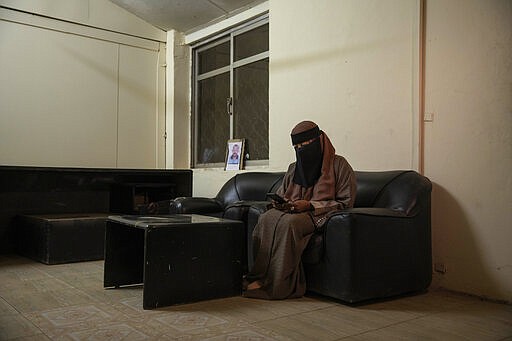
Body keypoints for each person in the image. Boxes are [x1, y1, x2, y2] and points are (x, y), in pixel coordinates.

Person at [243, 120, 357, 299]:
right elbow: (284, 193)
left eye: (305, 144)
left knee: (289, 223)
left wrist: (311, 204)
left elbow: (345, 202)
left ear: (319, 140)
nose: (301, 150)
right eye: (297, 146)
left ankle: (278, 284)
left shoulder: (339, 165)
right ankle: (259, 277)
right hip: (294, 210)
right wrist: (282, 203)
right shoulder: (294, 168)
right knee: (266, 218)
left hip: (320, 214)